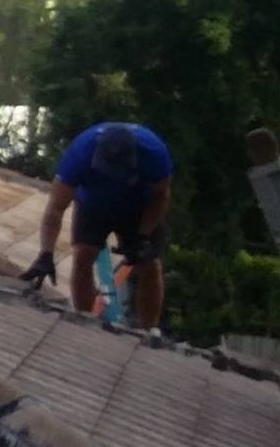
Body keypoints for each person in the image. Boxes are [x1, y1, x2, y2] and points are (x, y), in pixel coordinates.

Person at [22, 122, 174, 331]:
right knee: (84, 256)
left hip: (139, 207)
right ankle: (85, 321)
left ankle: (150, 330)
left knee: (148, 263)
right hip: (93, 204)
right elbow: (55, 208)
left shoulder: (154, 153)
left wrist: (142, 236)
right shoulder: (79, 154)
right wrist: (46, 254)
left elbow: (161, 196)